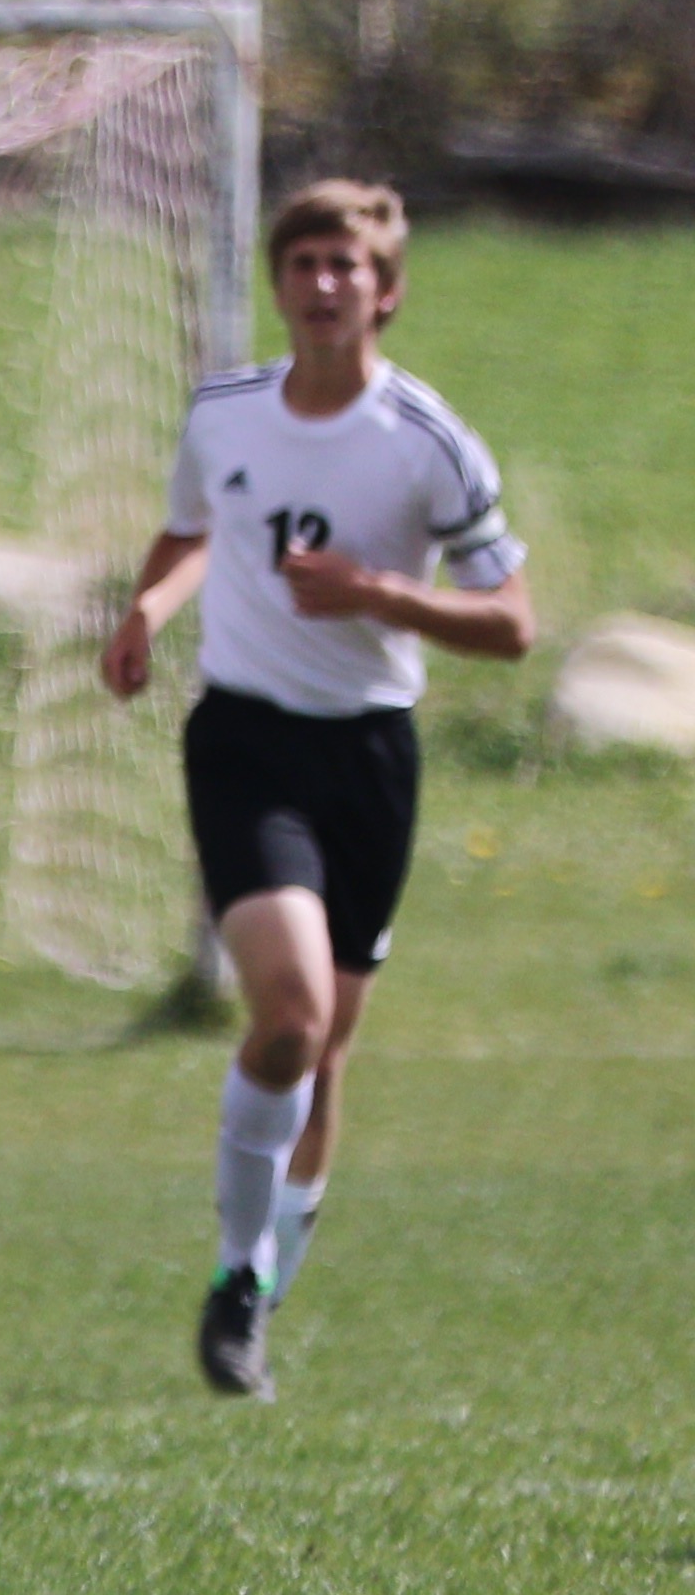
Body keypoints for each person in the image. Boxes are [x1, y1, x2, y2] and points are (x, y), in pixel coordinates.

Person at [97, 177, 531, 1401]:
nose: (326, 283)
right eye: (305, 263)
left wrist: (383, 596)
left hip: (369, 758)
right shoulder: (226, 413)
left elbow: (513, 623)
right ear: (280, 285)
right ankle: (238, 1281)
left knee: (328, 1054)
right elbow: (191, 529)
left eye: (348, 265)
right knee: (286, 1019)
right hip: (241, 741)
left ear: (383, 291)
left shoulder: (428, 440)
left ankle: (268, 1283)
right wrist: (146, 607)